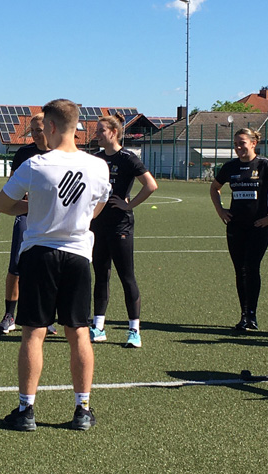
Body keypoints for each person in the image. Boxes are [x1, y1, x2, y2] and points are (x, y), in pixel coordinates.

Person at [0, 99, 111, 432]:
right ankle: (82, 409)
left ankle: (26, 410)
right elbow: (97, 207)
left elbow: (2, 203)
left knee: (33, 332)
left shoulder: (37, 165)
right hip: (77, 255)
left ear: (53, 126)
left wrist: (35, 208)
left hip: (40, 254)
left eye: (44, 125)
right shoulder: (98, 166)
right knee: (79, 332)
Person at [210, 128, 268, 331]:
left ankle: (252, 316)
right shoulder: (230, 166)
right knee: (240, 271)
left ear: (253, 143)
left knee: (251, 268)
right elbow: (215, 188)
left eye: (242, 143)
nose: (238, 147)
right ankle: (244, 315)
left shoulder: (264, 165)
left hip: (258, 228)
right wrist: (221, 211)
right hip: (235, 227)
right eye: (236, 144)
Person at [88, 113, 158, 347]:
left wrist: (129, 204)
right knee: (101, 275)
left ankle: (134, 331)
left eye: (100, 130)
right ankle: (98, 327)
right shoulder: (95, 159)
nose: (96, 134)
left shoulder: (127, 158)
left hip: (121, 225)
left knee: (126, 277)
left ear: (114, 133)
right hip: (97, 224)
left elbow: (151, 185)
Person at [0, 113, 50, 335]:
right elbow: (10, 187)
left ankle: (46, 316)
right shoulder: (24, 154)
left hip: (50, 219)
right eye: (31, 130)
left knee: (47, 267)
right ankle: (10, 315)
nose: (34, 134)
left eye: (38, 130)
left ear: (51, 128)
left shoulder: (62, 155)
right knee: (16, 266)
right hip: (25, 215)